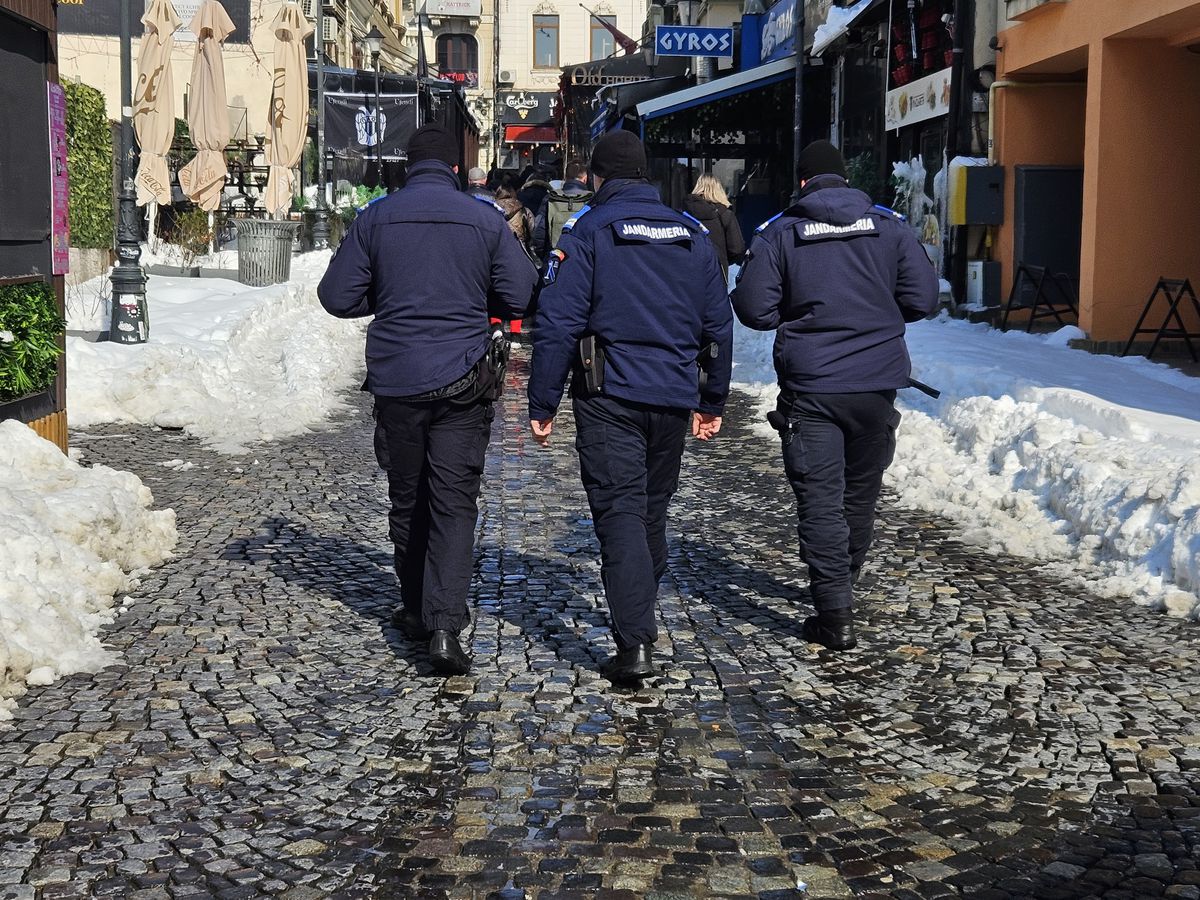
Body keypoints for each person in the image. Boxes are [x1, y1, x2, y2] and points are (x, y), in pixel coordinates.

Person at [318, 124, 539, 675]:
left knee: (408, 496)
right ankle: (444, 625)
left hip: (398, 377)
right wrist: (475, 297)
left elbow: (337, 296)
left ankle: (417, 608)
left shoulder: (376, 217)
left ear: (408, 166)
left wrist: (390, 295)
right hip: (464, 377)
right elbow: (521, 294)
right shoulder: (485, 219)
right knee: (454, 502)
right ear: (456, 169)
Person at [528, 130, 734, 684]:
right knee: (651, 511)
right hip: (672, 395)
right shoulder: (691, 232)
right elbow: (718, 324)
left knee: (620, 512)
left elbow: (559, 322)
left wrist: (543, 401)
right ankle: (639, 609)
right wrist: (712, 398)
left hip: (609, 395)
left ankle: (635, 641)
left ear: (597, 177)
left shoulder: (587, 230)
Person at [731, 140, 938, 652]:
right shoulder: (888, 225)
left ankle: (835, 614)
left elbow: (754, 310)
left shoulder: (781, 232)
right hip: (876, 384)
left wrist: (801, 314)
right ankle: (842, 585)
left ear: (801, 182)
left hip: (813, 388)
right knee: (859, 496)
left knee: (821, 500)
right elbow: (923, 298)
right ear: (846, 179)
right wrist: (873, 315)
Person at [683, 173, 746, 281]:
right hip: (717, 274)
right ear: (719, 191)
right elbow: (737, 249)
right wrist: (723, 259)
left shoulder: (683, 214)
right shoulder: (725, 215)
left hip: (689, 273)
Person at [532, 159, 593, 259]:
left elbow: (539, 234)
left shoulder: (551, 199)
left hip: (555, 257)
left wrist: (546, 257)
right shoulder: (592, 200)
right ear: (585, 179)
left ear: (565, 177)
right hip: (584, 258)